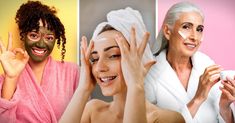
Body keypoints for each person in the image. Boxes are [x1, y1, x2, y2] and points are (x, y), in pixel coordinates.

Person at [60, 7, 185, 123]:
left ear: (142, 60)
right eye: (95, 59)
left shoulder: (168, 119)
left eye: (114, 55)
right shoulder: (92, 111)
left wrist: (136, 85)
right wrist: (83, 89)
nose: (99, 67)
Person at [144, 1, 235, 123]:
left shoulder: (207, 66)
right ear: (167, 31)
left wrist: (225, 107)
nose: (195, 37)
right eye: (186, 27)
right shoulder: (149, 73)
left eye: (199, 29)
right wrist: (198, 98)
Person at [0, 1, 79, 122]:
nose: (41, 44)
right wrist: (11, 79)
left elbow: (86, 115)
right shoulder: (5, 80)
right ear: (23, 36)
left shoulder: (73, 73)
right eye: (33, 35)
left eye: (49, 38)